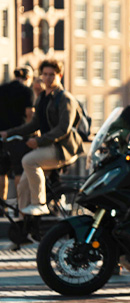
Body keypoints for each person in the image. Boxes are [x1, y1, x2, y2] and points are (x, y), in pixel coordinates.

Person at [1, 60, 85, 216]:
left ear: (59, 75)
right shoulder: (42, 98)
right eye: (45, 74)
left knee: (28, 160)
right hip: (47, 147)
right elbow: (34, 124)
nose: (48, 78)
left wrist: (38, 141)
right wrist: (9, 133)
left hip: (63, 149)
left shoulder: (65, 98)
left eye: (52, 74)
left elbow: (63, 129)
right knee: (23, 187)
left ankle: (40, 204)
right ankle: (24, 230)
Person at [0, 66, 35, 202]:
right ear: (27, 78)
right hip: (18, 136)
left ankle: (2, 206)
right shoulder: (27, 91)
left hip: (1, 135)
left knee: (1, 171)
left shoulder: (2, 88)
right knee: (18, 171)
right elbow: (29, 114)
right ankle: (20, 206)